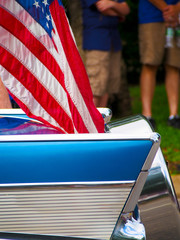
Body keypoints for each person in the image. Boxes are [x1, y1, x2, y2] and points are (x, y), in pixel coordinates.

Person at [138, 0, 180, 129]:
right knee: (150, 63)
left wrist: (176, 9)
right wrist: (168, 11)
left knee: (174, 65)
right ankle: (147, 115)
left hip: (176, 18)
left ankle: (173, 115)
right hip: (151, 17)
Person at [80, 0, 130, 107]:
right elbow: (103, 8)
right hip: (97, 40)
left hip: (112, 40)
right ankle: (92, 122)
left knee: (106, 85)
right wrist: (118, 10)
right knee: (96, 87)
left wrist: (112, 4)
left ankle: (102, 121)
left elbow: (126, 9)